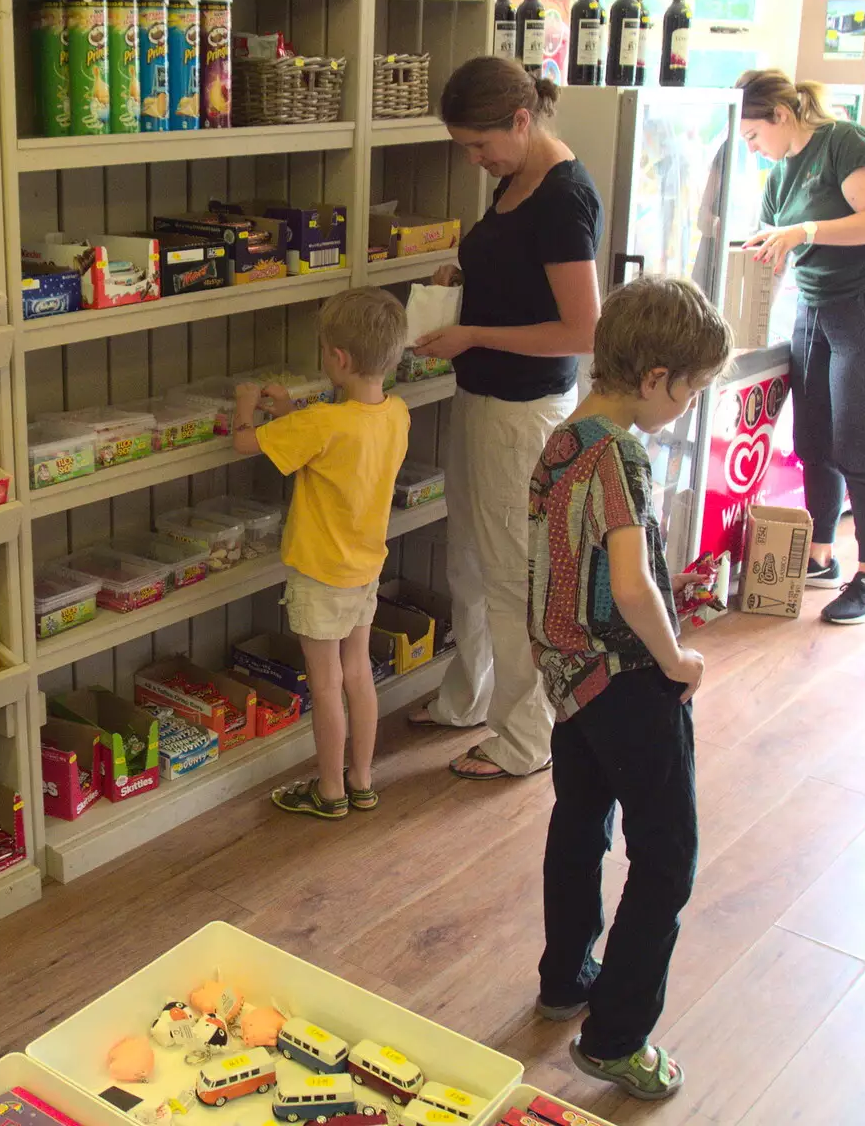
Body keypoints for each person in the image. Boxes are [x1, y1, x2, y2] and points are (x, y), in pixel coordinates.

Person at [529, 275, 731, 1101]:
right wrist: (678, 660)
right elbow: (634, 584)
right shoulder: (624, 454)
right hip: (624, 678)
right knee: (667, 858)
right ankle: (617, 1038)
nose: (686, 405)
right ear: (656, 378)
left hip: (566, 677)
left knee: (579, 820)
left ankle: (566, 974)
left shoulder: (563, 438)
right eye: (690, 389)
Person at [407, 56, 603, 780]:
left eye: (481, 144)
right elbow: (522, 283)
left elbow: (583, 329)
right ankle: (468, 699)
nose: (474, 158)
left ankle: (525, 738)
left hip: (522, 413)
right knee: (469, 559)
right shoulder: (516, 177)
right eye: (465, 145)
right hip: (483, 397)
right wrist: (466, 282)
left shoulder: (562, 198)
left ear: (523, 121)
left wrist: (476, 334)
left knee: (513, 574)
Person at [737, 70, 865, 625]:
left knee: (858, 441)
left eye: (752, 137)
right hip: (815, 305)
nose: (754, 150)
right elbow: (771, 237)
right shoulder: (779, 175)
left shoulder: (846, 141)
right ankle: (820, 558)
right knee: (812, 439)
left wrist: (805, 232)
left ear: (781, 116)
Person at [233, 287, 410, 819]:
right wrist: (288, 410)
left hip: (318, 574)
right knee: (358, 673)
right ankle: (361, 779)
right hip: (365, 569)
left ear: (337, 359)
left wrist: (247, 405)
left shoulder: (323, 424)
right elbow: (331, 443)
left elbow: (247, 442)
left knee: (326, 682)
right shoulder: (395, 414)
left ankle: (328, 790)